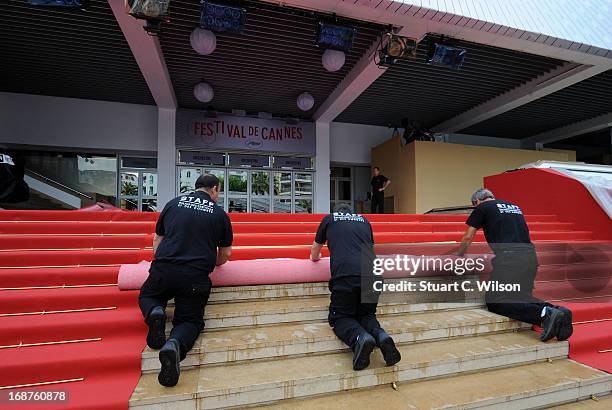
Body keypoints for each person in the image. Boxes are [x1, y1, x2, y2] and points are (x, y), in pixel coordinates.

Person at [139, 174, 233, 387]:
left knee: (149, 295)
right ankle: (174, 344)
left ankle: (155, 311)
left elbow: (157, 238)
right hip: (195, 276)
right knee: (190, 321)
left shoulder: (173, 204)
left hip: (165, 268)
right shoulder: (219, 214)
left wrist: (161, 260)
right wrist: (215, 263)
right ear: (215, 189)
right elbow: (225, 253)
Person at [455, 188, 572, 342]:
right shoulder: (514, 207)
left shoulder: (482, 207)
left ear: (476, 201)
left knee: (496, 301)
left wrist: (458, 255)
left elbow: (468, 236)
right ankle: (559, 312)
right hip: (530, 257)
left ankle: (545, 313)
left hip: (510, 259)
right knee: (520, 296)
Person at [310, 203, 401, 370]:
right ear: (352, 214)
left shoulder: (329, 219)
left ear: (336, 212)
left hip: (347, 277)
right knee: (366, 315)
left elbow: (315, 251)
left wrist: (316, 258)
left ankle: (360, 338)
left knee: (340, 318)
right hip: (373, 276)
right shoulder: (364, 221)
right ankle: (381, 336)